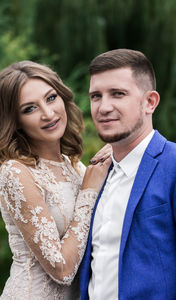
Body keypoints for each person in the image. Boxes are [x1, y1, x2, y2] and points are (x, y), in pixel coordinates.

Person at [0, 60, 112, 300]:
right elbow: (62, 270)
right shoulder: (16, 172)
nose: (48, 113)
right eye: (29, 109)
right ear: (15, 121)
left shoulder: (74, 165)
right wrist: (89, 190)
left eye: (51, 98)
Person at [80, 49, 176, 300]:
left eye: (118, 94)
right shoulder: (94, 175)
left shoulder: (173, 165)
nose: (103, 107)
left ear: (150, 102)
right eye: (96, 96)